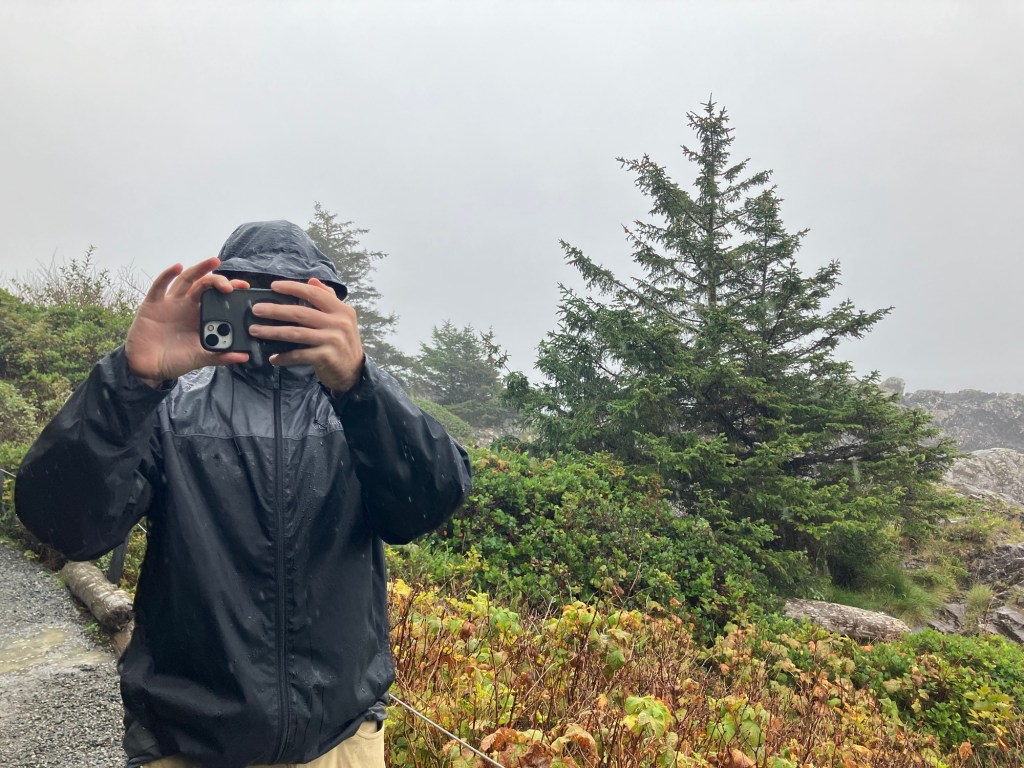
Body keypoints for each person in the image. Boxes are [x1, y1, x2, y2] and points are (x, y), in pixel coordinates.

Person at [15, 220, 473, 768]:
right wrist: (130, 380)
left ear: (328, 305)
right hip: (185, 744)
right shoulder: (167, 404)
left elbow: (428, 505)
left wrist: (360, 383)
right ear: (217, 298)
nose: (266, 316)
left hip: (341, 740)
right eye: (248, 297)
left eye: (289, 300)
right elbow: (66, 526)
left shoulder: (358, 404)